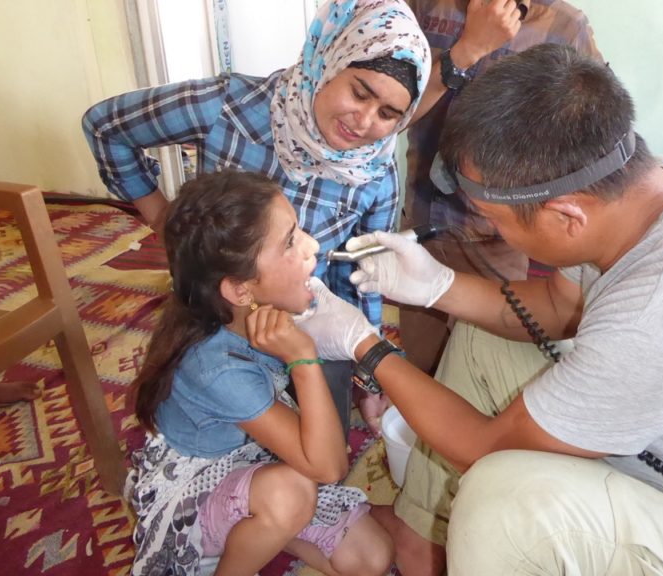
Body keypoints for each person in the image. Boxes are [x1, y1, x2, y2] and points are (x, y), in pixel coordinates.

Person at [294, 44, 663, 576]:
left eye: (496, 218)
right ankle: (422, 540)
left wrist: (365, 344)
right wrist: (437, 286)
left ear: (567, 216)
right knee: (482, 339)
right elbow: (561, 306)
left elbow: (485, 448)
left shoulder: (660, 317)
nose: (489, 229)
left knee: (502, 500)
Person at [82, 0, 431, 436]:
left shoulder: (375, 169)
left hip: (307, 326)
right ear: (328, 60)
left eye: (388, 114)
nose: (363, 123)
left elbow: (358, 273)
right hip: (214, 315)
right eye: (360, 93)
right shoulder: (228, 108)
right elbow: (106, 127)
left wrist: (367, 365)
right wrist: (162, 218)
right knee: (207, 430)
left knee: (320, 442)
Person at [126, 170, 392, 576]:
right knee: (291, 492)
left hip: (252, 458)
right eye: (289, 241)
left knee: (371, 558)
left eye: (298, 229)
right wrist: (303, 359)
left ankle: (266, 523)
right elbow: (329, 468)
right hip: (197, 488)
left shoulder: (258, 310)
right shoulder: (216, 368)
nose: (312, 246)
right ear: (240, 290)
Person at [399, 0, 601, 374]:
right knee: (420, 361)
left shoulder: (564, 26)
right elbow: (392, 112)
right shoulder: (424, 7)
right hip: (423, 219)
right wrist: (468, 49)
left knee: (482, 364)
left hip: (500, 237)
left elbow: (590, 131)